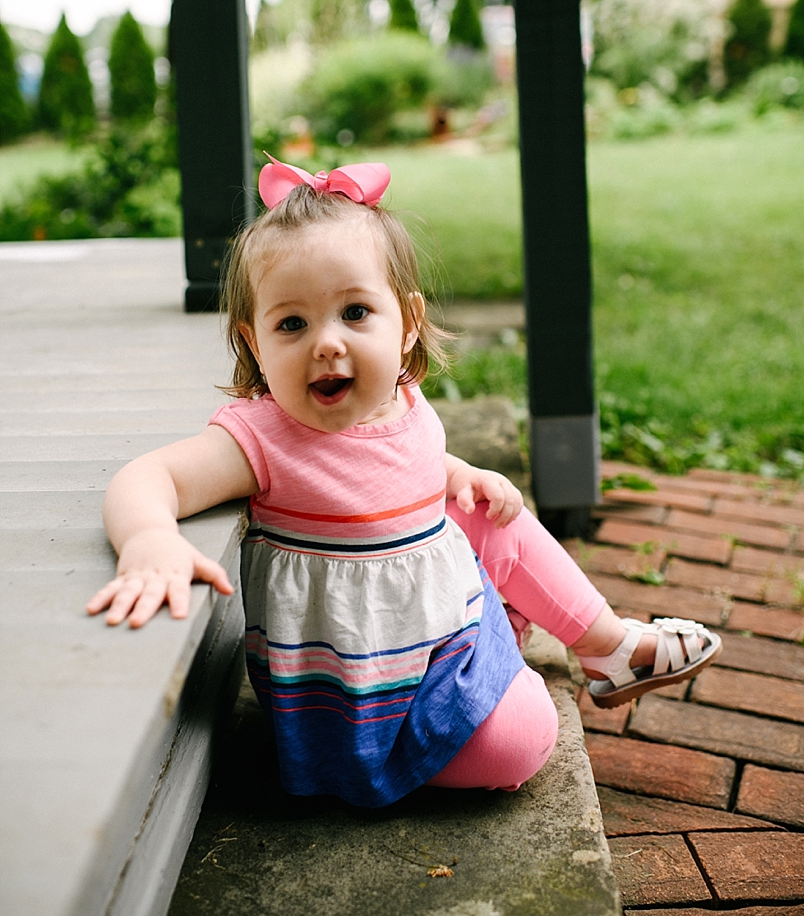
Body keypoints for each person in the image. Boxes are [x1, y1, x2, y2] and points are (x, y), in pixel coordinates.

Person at [87, 159, 720, 808]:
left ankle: (610, 648)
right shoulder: (263, 439)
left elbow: (399, 472)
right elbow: (147, 476)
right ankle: (496, 656)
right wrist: (148, 540)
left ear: (407, 322)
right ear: (254, 341)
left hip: (425, 620)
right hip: (366, 695)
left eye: (355, 312)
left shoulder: (405, 400)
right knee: (525, 740)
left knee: (489, 511)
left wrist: (459, 474)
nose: (326, 344)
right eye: (292, 324)